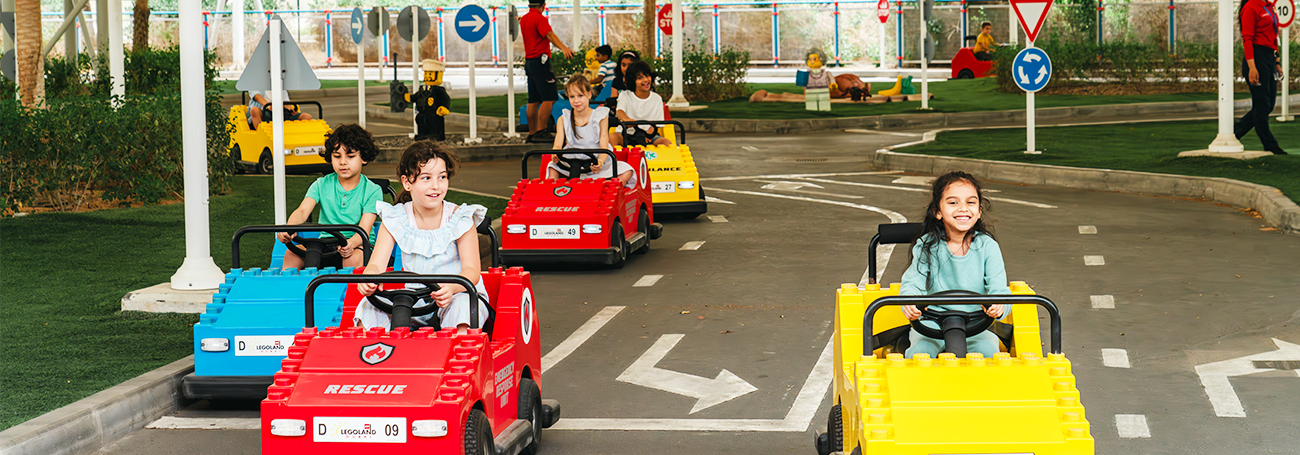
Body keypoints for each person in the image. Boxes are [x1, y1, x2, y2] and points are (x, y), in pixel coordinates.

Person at [356, 142, 491, 332]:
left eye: (442, 177)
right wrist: (369, 278)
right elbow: (376, 265)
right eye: (426, 178)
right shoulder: (395, 218)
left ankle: (460, 356)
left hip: (458, 293)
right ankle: (374, 358)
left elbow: (472, 270)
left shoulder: (460, 218)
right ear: (407, 182)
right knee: (369, 307)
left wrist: (451, 287)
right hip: (416, 297)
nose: (436, 186)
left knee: (462, 310)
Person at [898, 171, 1011, 358]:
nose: (963, 208)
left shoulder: (988, 247)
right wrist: (909, 301)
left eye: (970, 202)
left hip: (976, 324)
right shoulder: (927, 245)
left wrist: (999, 305)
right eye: (953, 203)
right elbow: (913, 282)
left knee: (988, 352)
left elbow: (999, 289)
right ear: (938, 211)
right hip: (931, 323)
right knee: (919, 353)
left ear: (979, 211)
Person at [278, 124, 383, 270]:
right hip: (325, 243)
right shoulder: (321, 184)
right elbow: (302, 211)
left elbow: (364, 229)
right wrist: (289, 228)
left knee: (351, 260)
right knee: (291, 254)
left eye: (350, 156)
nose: (343, 162)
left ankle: (347, 292)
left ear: (363, 158)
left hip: (358, 244)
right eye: (337, 156)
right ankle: (293, 292)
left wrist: (350, 244)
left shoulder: (372, 190)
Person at [548, 74, 636, 187]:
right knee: (551, 167)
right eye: (572, 97)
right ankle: (556, 195)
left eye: (580, 96)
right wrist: (555, 153)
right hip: (572, 162)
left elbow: (604, 143)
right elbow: (557, 144)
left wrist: (600, 162)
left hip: (596, 161)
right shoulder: (563, 118)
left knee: (626, 170)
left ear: (589, 94)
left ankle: (607, 191)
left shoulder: (600, 116)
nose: (576, 100)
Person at [1236, 0, 1288, 155]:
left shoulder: (1268, 6)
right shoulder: (1250, 7)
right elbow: (1247, 39)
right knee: (1262, 104)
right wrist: (1252, 67)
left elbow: (1274, 36)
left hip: (1269, 59)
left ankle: (1234, 132)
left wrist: (1277, 62)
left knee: (1268, 105)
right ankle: (1270, 145)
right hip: (1256, 59)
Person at [521, 0, 575, 143]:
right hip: (541, 62)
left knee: (533, 99)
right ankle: (541, 131)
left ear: (529, 5)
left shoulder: (524, 19)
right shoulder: (540, 19)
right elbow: (549, 35)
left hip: (530, 62)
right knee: (549, 97)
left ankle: (532, 132)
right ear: (543, 5)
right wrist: (564, 48)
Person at [610, 60, 673, 147]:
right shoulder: (625, 95)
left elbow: (657, 125)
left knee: (666, 143)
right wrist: (628, 121)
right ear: (633, 81)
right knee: (612, 137)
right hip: (626, 134)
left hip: (649, 135)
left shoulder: (657, 99)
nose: (645, 80)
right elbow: (620, 112)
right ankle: (612, 160)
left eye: (647, 76)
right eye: (640, 78)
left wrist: (648, 135)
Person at [406, 59, 452, 142]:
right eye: (426, 73)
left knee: (433, 123)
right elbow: (416, 97)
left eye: (430, 74)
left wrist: (444, 107)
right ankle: (422, 135)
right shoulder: (422, 89)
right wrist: (408, 97)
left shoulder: (439, 90)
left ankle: (435, 136)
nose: (427, 76)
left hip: (434, 114)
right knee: (420, 120)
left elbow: (446, 99)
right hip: (422, 113)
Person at [247, 90, 313, 130]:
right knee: (254, 110)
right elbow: (257, 97)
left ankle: (297, 135)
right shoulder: (255, 82)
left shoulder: (280, 83)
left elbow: (286, 101)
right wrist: (268, 105)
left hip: (280, 113)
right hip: (263, 113)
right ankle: (260, 134)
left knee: (307, 117)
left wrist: (290, 109)